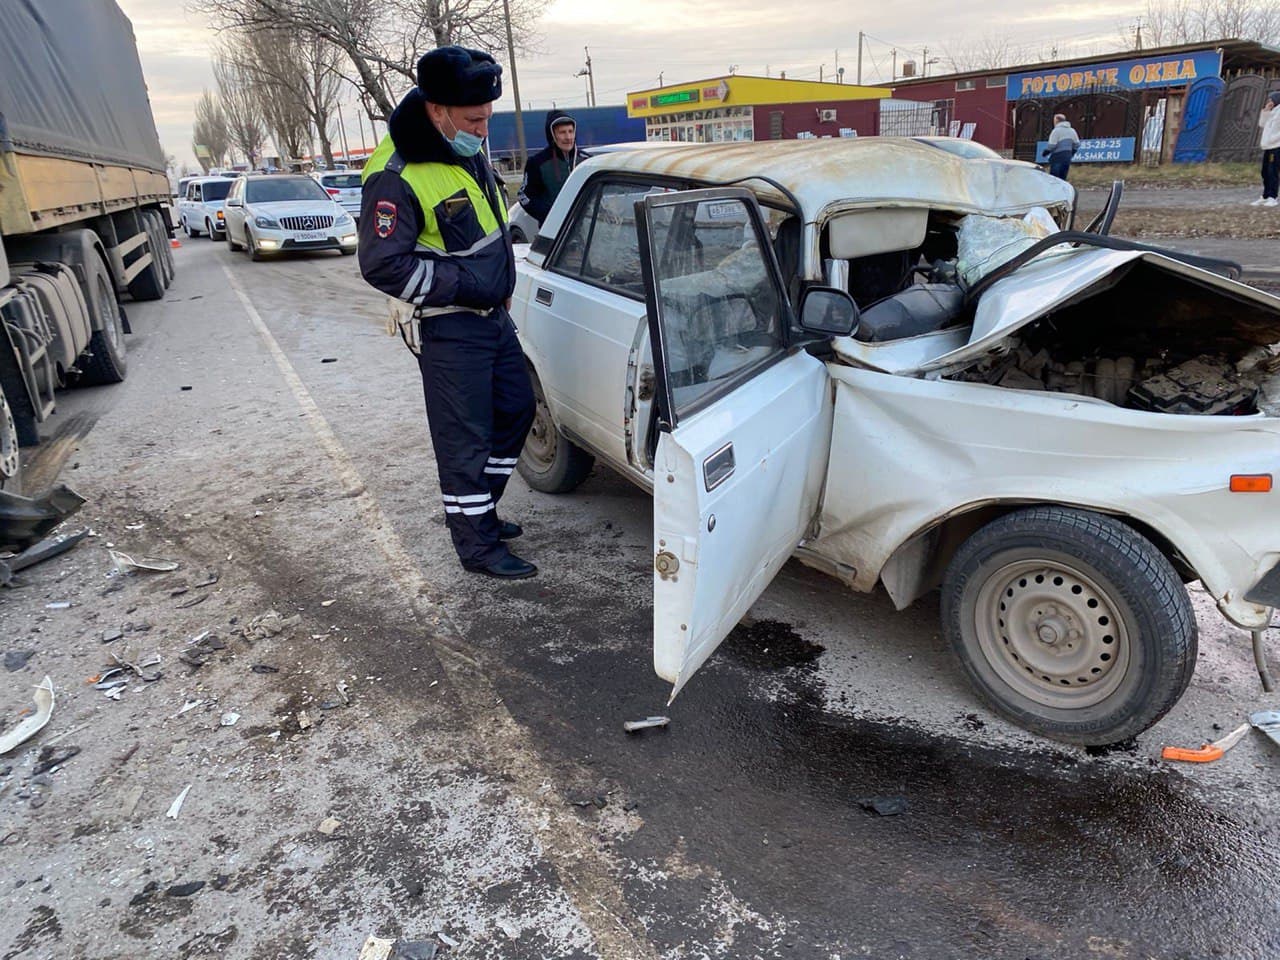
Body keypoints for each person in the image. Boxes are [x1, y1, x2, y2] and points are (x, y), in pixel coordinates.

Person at [358, 46, 538, 580]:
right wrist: (469, 284)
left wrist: (497, 283)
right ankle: (477, 547)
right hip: (450, 322)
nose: (483, 131)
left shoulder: (462, 144)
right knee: (465, 439)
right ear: (436, 110)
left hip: (490, 316)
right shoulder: (395, 172)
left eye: (487, 118)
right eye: (473, 120)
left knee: (516, 410)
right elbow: (385, 266)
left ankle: (479, 509)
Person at [518, 110, 586, 225]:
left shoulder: (586, 161)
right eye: (562, 132)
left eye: (571, 131)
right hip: (554, 232)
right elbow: (524, 196)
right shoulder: (537, 163)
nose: (568, 137)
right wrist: (549, 214)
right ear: (552, 135)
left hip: (587, 229)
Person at [1252, 92, 1280, 207]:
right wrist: (1265, 111)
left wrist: (1274, 139)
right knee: (1265, 172)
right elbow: (1261, 124)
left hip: (1276, 146)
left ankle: (1272, 196)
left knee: (1272, 171)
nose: (1269, 102)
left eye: (1271, 100)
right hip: (1267, 146)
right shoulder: (1271, 112)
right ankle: (1265, 195)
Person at [1041, 114, 1081, 181]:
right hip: (1067, 156)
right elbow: (1077, 144)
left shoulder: (1056, 131)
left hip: (1057, 156)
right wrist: (1072, 152)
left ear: (1057, 121)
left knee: (1054, 178)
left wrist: (1045, 152)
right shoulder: (1072, 130)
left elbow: (1052, 145)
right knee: (1063, 178)